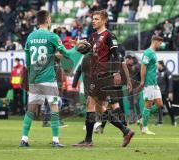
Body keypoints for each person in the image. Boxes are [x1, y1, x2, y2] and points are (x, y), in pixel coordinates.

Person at [72, 10, 134, 147]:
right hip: (94, 76)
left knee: (90, 103)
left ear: (104, 20)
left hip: (103, 75)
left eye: (97, 19)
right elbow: (87, 52)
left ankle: (88, 140)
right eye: (93, 18)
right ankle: (125, 131)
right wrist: (77, 46)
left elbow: (116, 55)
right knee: (99, 109)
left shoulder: (109, 35)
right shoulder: (93, 36)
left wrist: (117, 73)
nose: (93, 21)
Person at [19, 10, 80, 148]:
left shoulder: (30, 37)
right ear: (47, 20)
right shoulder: (52, 36)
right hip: (48, 78)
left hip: (34, 78)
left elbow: (28, 61)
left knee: (31, 109)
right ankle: (55, 141)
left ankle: (24, 139)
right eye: (50, 18)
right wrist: (76, 47)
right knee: (54, 108)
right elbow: (67, 53)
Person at [138, 35, 164, 135]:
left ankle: (141, 119)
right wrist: (142, 81)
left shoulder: (153, 53)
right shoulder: (148, 52)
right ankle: (144, 128)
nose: (160, 45)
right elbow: (143, 67)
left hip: (154, 83)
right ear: (156, 41)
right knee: (148, 105)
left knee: (159, 104)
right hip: (148, 82)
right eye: (160, 43)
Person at [157, 60, 176, 126]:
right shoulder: (157, 73)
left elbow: (170, 83)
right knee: (159, 107)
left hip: (166, 93)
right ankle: (160, 122)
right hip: (159, 93)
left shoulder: (167, 72)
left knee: (169, 107)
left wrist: (170, 92)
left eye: (157, 64)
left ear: (161, 64)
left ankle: (173, 121)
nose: (156, 65)